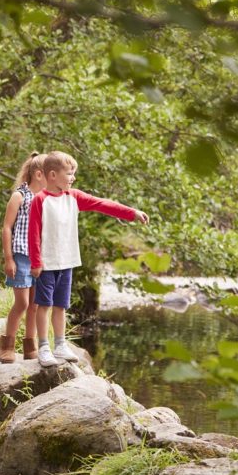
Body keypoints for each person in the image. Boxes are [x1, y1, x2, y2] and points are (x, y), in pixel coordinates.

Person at [28, 151, 149, 367]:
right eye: (70, 173)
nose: (73, 177)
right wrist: (36, 262)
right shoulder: (40, 200)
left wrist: (132, 213)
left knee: (60, 305)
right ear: (53, 175)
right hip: (46, 264)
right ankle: (44, 347)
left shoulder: (73, 197)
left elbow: (101, 204)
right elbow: (33, 232)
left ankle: (60, 344)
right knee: (43, 305)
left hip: (67, 262)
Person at [0, 152, 48, 363]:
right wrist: (8, 258)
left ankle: (30, 346)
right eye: (50, 174)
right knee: (22, 303)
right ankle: (7, 345)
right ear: (39, 174)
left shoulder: (47, 198)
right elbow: (7, 228)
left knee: (36, 304)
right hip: (20, 256)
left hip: (40, 258)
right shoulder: (20, 196)